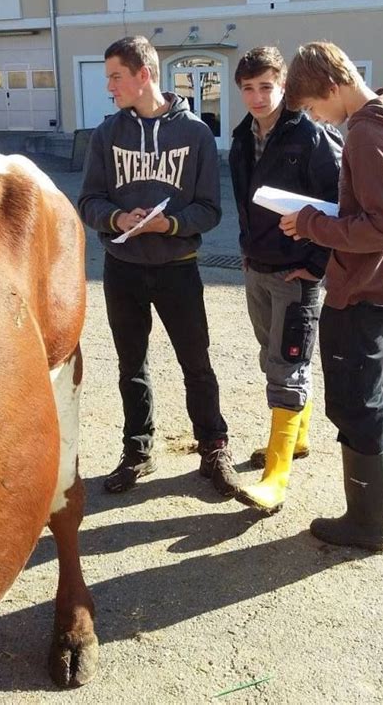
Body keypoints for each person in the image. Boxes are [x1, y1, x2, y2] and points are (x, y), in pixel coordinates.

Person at [280, 40, 383, 550]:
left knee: (355, 405)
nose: (319, 121)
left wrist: (311, 223)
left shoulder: (366, 134)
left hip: (366, 289)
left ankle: (366, 524)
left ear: (332, 87)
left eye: (313, 108)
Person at [78, 35, 238, 496]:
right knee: (131, 364)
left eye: (115, 76)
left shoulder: (196, 134)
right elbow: (88, 199)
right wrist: (115, 218)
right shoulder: (107, 134)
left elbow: (210, 209)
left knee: (197, 362)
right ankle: (138, 449)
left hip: (177, 266)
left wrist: (169, 224)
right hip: (122, 266)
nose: (109, 86)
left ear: (144, 75)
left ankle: (213, 446)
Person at [229, 46, 342, 514]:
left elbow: (340, 203)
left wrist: (316, 265)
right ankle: (297, 439)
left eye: (266, 87)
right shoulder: (241, 137)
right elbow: (244, 202)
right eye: (248, 89)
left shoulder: (313, 134)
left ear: (283, 86)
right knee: (273, 355)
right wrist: (248, 251)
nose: (257, 97)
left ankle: (275, 476)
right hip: (259, 267)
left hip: (297, 273)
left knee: (287, 362)